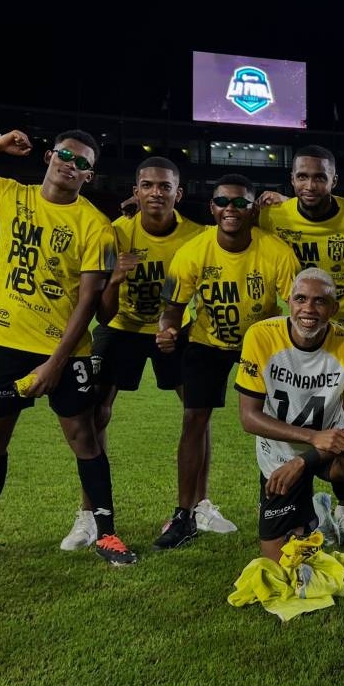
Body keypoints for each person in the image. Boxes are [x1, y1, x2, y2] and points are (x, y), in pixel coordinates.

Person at [0, 129, 136, 569]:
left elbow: (88, 303)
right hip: (5, 344)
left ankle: (108, 535)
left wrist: (54, 364)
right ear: (49, 156)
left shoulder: (95, 225)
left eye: (81, 162)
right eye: (64, 155)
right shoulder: (8, 194)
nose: (70, 165)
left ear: (90, 175)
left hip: (65, 351)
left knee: (86, 439)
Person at [58, 156, 216, 551]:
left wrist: (181, 329)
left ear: (178, 194)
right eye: (147, 185)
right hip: (120, 328)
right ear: (136, 192)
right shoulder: (114, 234)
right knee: (95, 413)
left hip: (172, 330)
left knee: (197, 410)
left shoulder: (198, 236)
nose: (155, 192)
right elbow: (103, 310)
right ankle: (89, 515)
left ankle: (200, 505)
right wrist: (115, 280)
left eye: (164, 186)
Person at [154, 174, 299, 549]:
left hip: (262, 343)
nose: (230, 209)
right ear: (212, 207)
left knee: (277, 423)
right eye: (222, 202)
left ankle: (279, 505)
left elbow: (296, 306)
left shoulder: (277, 251)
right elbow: (171, 309)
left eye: (240, 203)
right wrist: (168, 331)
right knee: (194, 420)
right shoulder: (191, 252)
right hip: (207, 341)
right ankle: (185, 514)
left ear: (253, 209)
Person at [235, 267, 344, 617]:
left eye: (320, 301)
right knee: (280, 563)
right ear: (289, 300)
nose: (309, 309)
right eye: (301, 299)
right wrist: (310, 439)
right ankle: (317, 514)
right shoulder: (261, 336)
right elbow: (248, 417)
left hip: (328, 454)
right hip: (278, 458)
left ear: (333, 308)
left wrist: (305, 459)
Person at [258, 145, 344, 542]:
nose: (310, 184)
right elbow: (232, 228)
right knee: (299, 416)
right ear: (291, 180)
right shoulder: (271, 216)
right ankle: (299, 507)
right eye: (302, 177)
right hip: (301, 335)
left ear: (334, 180)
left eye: (319, 177)